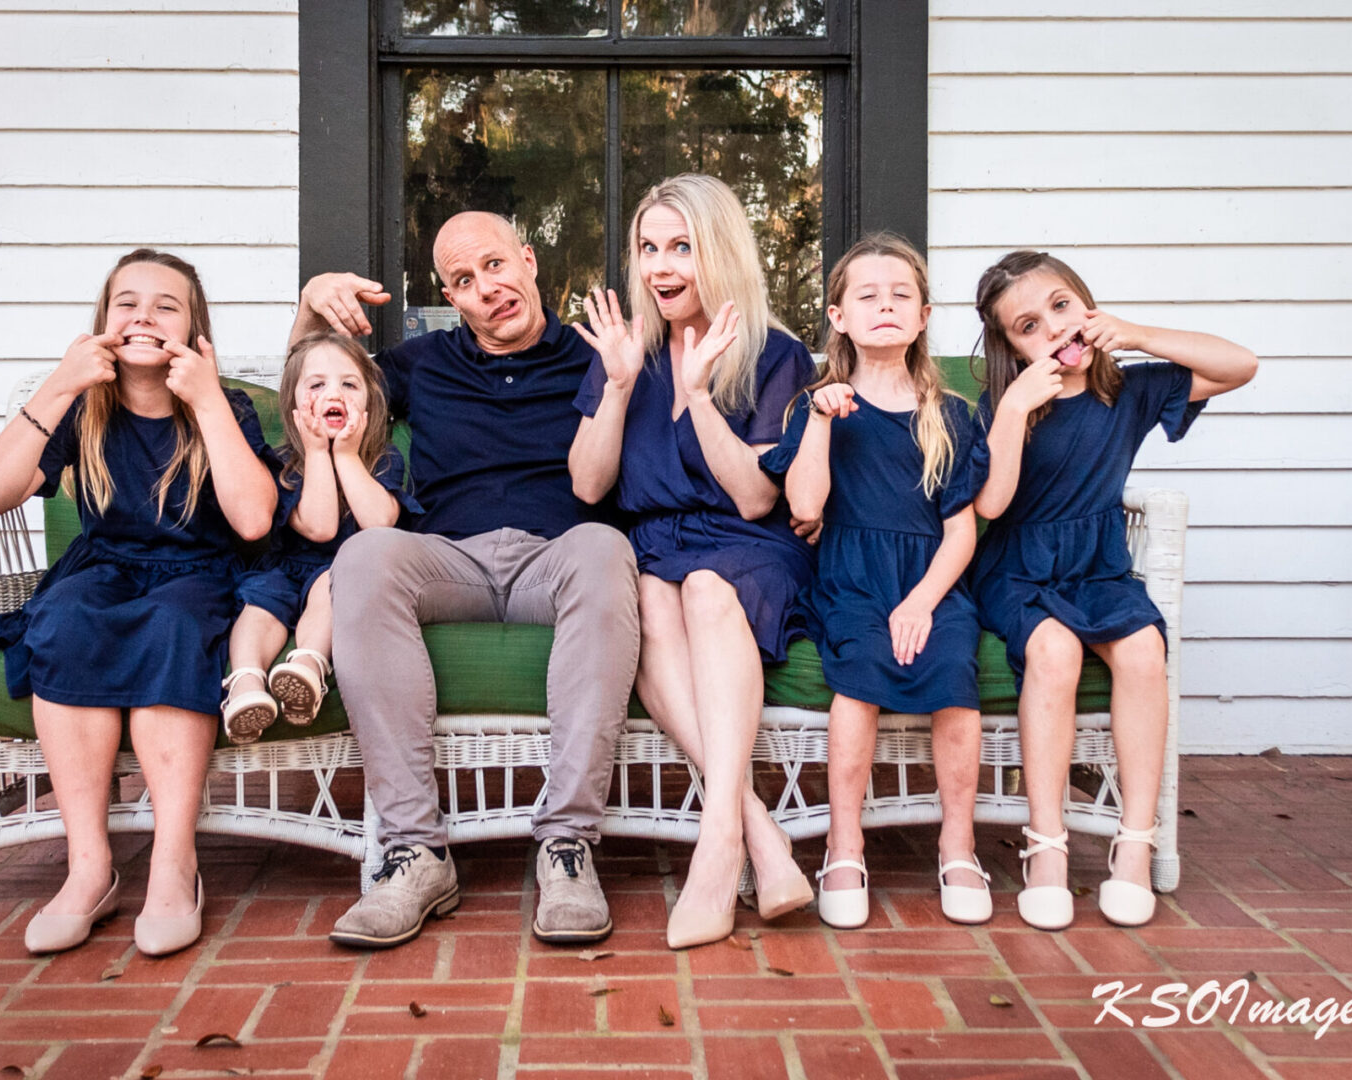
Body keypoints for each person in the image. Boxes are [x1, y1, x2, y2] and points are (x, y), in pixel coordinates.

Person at [294, 212, 640, 949]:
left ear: (529, 258)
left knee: (607, 548)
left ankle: (567, 844)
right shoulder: (424, 363)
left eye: (494, 265)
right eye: (463, 281)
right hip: (449, 559)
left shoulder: (591, 356)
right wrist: (308, 305)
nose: (487, 289)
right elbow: (315, 388)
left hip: (559, 556)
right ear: (451, 297)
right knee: (364, 557)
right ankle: (415, 851)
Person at [0, 249, 278, 956]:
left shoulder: (224, 405)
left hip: (197, 572)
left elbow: (256, 519)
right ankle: (91, 869)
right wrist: (57, 385)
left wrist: (203, 396)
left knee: (174, 626)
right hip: (105, 568)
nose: (143, 315)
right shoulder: (82, 406)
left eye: (166, 305)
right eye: (127, 302)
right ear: (103, 323)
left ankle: (174, 865)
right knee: (65, 618)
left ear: (194, 329)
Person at [970, 249, 1257, 930]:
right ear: (1011, 347)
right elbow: (990, 504)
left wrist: (1134, 333)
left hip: (1097, 564)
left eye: (1062, 307)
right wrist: (1011, 412)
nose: (1053, 331)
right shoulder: (1004, 404)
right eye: (1029, 326)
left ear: (1086, 306)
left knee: (1139, 653)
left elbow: (1239, 365)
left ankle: (1135, 842)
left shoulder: (1127, 389)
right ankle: (1047, 845)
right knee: (1055, 655)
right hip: (1019, 565)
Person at [569, 174, 817, 950]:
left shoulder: (777, 353)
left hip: (746, 548)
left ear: (720, 252)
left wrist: (701, 393)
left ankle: (715, 855)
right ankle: (756, 833)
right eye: (648, 248)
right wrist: (615, 387)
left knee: (707, 588)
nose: (661, 265)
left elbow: (752, 499)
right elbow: (587, 484)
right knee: (645, 595)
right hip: (653, 546)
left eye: (682, 246)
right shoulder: (628, 354)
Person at [761, 234, 990, 929]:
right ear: (838, 316)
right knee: (858, 672)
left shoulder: (949, 413)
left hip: (930, 580)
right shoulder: (816, 405)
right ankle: (844, 845)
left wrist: (923, 601)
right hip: (851, 579)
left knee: (954, 666)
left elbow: (961, 531)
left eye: (901, 297)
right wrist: (825, 422)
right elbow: (805, 506)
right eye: (868, 296)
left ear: (923, 317)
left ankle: (958, 844)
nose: (884, 307)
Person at [221, 331, 419, 743]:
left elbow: (379, 522)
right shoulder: (284, 464)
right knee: (260, 608)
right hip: (285, 570)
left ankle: (307, 667)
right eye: (317, 385)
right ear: (294, 407)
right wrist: (315, 453)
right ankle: (245, 685)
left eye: (350, 384)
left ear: (371, 402)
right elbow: (320, 525)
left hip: (341, 572)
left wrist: (345, 454)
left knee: (334, 585)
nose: (335, 393)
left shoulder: (384, 459)